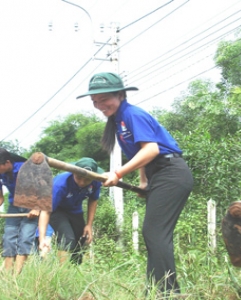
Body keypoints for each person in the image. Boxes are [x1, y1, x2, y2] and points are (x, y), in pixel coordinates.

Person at [77, 73, 194, 296]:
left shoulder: (132, 114)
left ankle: (167, 293)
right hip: (159, 174)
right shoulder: (118, 121)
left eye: (104, 99)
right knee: (153, 234)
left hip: (171, 173)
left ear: (120, 94)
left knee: (155, 233)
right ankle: (158, 291)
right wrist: (143, 181)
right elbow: (142, 152)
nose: (100, 105)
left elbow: (152, 149)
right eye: (95, 102)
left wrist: (118, 172)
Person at [0, 148, 39, 274]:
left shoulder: (26, 169)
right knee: (9, 238)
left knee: (25, 238)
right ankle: (7, 274)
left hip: (32, 205)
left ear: (7, 162)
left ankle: (16, 275)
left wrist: (36, 208)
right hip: (14, 206)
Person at [39, 158, 102, 265]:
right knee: (67, 239)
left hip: (75, 210)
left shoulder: (96, 181)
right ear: (73, 173)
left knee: (81, 240)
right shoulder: (60, 185)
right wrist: (42, 238)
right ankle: (62, 273)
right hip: (56, 210)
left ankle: (74, 270)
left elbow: (93, 199)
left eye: (87, 180)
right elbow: (46, 211)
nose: (82, 183)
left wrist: (89, 225)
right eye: (79, 178)